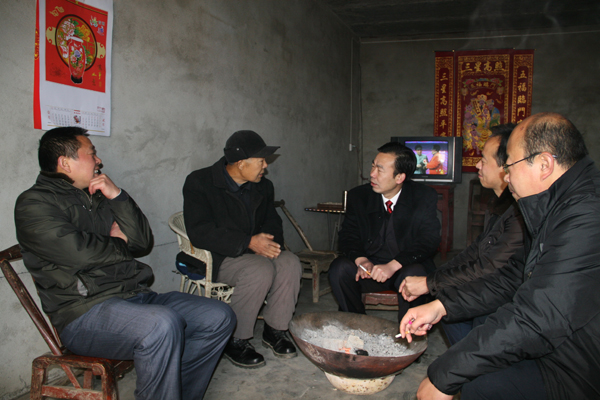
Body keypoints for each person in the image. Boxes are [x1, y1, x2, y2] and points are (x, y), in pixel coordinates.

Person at [14, 127, 235, 400]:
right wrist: (119, 242)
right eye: (92, 154)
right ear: (65, 162)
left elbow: (141, 242)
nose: (99, 161)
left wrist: (117, 195)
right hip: (84, 312)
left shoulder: (99, 195)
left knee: (218, 316)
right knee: (161, 325)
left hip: (134, 296)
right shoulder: (34, 204)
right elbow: (79, 254)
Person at [400, 113, 600, 400]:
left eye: (511, 165)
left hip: (581, 365)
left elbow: (540, 315)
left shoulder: (587, 216)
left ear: (544, 165)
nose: (507, 176)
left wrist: (446, 373)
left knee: (476, 378)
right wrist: (441, 306)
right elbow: (511, 278)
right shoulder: (553, 206)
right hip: (561, 349)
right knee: (477, 375)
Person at [182, 130, 303, 369]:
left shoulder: (263, 186)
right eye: (261, 161)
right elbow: (200, 231)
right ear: (240, 163)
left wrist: (267, 243)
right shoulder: (200, 182)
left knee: (290, 262)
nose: (265, 166)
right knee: (259, 269)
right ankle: (235, 339)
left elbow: (272, 222)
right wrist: (247, 242)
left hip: (254, 252)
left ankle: (275, 330)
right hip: (219, 256)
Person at [399, 124, 525, 345]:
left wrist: (429, 283)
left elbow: (489, 267)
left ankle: (476, 359)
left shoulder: (519, 212)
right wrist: (433, 281)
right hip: (491, 287)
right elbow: (474, 252)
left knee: (453, 306)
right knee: (445, 298)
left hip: (508, 298)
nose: (477, 165)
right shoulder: (499, 204)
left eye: (483, 160)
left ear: (506, 166)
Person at [328, 141, 441, 322]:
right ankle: (356, 325)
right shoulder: (359, 196)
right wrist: (361, 260)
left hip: (403, 267)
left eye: (380, 170)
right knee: (339, 268)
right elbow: (348, 235)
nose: (372, 174)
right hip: (369, 269)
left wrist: (393, 265)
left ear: (399, 177)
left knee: (416, 273)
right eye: (373, 166)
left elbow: (429, 240)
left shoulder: (423, 197)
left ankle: (408, 331)